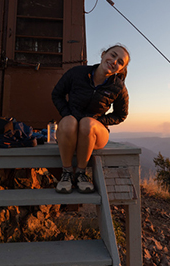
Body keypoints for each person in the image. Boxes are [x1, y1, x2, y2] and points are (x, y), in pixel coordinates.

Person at [51, 44, 130, 193]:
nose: (114, 62)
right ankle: (67, 172)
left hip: (96, 132)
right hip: (71, 130)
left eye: (120, 62)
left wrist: (99, 121)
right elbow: (57, 94)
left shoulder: (118, 87)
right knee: (68, 121)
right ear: (103, 54)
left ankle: (81, 173)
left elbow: (121, 115)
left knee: (87, 124)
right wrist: (68, 114)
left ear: (120, 69)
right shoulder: (77, 73)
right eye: (113, 55)